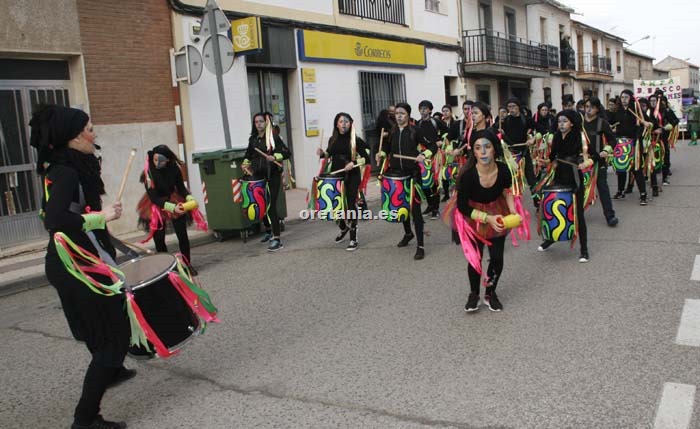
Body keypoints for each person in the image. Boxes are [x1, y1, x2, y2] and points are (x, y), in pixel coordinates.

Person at [30, 104, 133, 429]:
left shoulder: (66, 167)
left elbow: (69, 213)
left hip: (76, 261)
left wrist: (101, 218)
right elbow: (56, 220)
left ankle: (111, 368)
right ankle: (85, 419)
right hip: (76, 266)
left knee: (108, 324)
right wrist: (103, 217)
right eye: (89, 129)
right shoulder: (67, 172)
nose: (95, 133)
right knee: (113, 337)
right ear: (74, 138)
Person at [452, 130, 517, 312]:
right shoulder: (467, 175)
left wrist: (512, 210)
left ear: (494, 150)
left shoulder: (503, 169)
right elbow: (462, 206)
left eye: (487, 147)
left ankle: (490, 293)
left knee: (497, 258)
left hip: (497, 211)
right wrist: (486, 218)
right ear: (474, 152)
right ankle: (474, 294)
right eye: (479, 148)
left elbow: (507, 190)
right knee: (475, 259)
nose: (483, 152)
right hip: (474, 216)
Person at [376, 102, 436, 260]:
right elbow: (387, 149)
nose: (399, 116)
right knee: (402, 208)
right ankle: (408, 233)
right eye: (397, 113)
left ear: (408, 115)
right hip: (396, 175)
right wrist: (382, 153)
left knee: (415, 211)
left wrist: (424, 154)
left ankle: (421, 245)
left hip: (412, 175)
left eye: (402, 113)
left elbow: (432, 145)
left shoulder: (416, 130)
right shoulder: (392, 131)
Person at [538, 110, 593, 262]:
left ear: (572, 123)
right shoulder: (556, 136)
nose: (561, 124)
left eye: (564, 121)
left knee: (578, 214)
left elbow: (592, 156)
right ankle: (551, 238)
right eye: (559, 121)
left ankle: (584, 249)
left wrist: (585, 163)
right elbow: (553, 157)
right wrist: (546, 162)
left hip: (574, 177)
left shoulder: (579, 136)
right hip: (559, 175)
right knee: (555, 207)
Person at [138, 145, 200, 274]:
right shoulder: (148, 172)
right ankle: (165, 268)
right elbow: (153, 197)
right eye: (154, 160)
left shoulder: (174, 169)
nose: (156, 163)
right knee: (159, 238)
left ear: (167, 160)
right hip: (156, 205)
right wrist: (172, 207)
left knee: (182, 235)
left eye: (160, 160)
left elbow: (181, 187)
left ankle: (187, 264)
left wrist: (189, 198)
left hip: (174, 199)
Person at [316, 113, 370, 251]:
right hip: (336, 174)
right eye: (341, 121)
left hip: (352, 175)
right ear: (336, 124)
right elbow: (329, 154)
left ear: (350, 124)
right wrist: (323, 153)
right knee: (336, 205)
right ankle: (343, 227)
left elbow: (367, 157)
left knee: (351, 205)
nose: (344, 124)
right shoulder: (332, 139)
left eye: (346, 121)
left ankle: (353, 237)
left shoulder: (355, 140)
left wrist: (354, 162)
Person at [243, 112, 291, 251]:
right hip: (258, 175)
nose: (258, 124)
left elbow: (287, 153)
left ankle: (277, 239)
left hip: (273, 176)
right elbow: (249, 154)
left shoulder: (273, 137)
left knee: (270, 206)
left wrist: (275, 156)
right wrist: (245, 163)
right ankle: (269, 231)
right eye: (256, 122)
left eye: (261, 121)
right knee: (261, 205)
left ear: (266, 123)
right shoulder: (253, 139)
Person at [610, 89, 652, 205]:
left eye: (626, 97)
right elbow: (611, 123)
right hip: (620, 143)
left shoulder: (636, 111)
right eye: (622, 97)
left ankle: (643, 195)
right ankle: (620, 191)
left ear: (631, 99)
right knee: (620, 168)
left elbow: (649, 122)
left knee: (636, 169)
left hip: (633, 143)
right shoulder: (617, 112)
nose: (624, 100)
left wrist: (647, 125)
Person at [583, 97, 619, 226]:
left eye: (591, 107)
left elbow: (612, 140)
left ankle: (610, 216)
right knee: (578, 188)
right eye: (586, 106)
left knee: (603, 188)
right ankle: (574, 215)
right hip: (582, 161)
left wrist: (607, 150)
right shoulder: (579, 122)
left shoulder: (602, 123)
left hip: (598, 161)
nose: (588, 109)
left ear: (597, 109)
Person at [416, 100, 449, 219]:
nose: (423, 110)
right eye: (421, 108)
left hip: (435, 155)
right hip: (423, 156)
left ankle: (436, 209)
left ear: (430, 110)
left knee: (434, 183)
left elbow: (447, 132)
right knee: (424, 183)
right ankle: (430, 205)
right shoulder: (417, 124)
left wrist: (441, 140)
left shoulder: (436, 122)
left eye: (425, 108)